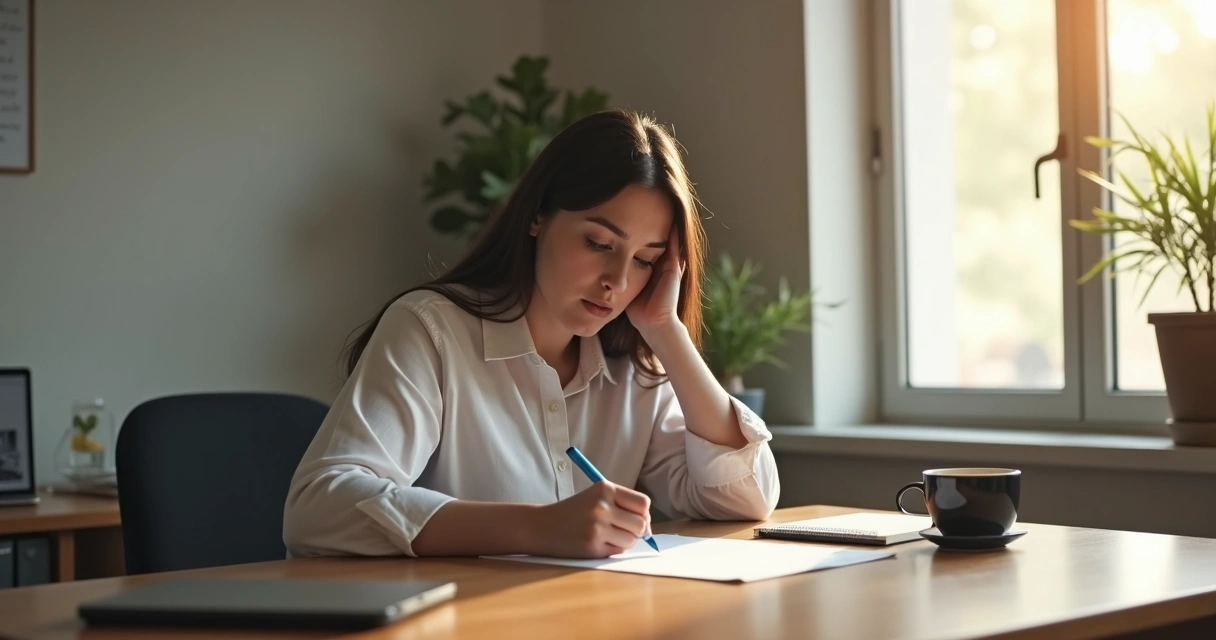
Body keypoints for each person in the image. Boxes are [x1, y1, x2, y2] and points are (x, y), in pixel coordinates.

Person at [283, 109, 780, 559]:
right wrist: (536, 527)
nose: (619, 281)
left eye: (646, 261)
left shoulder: (635, 370)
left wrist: (665, 330)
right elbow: (318, 508)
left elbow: (746, 499)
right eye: (598, 242)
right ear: (538, 216)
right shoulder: (431, 331)